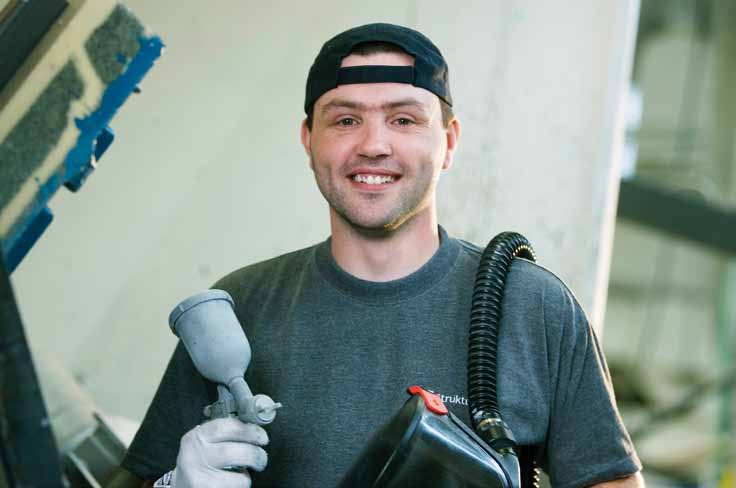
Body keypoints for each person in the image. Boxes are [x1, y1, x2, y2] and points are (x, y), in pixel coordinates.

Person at [111, 23, 643, 488]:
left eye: (404, 120)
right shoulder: (241, 308)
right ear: (308, 140)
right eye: (345, 120)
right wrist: (170, 484)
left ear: (450, 142)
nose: (373, 145)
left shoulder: (533, 307)